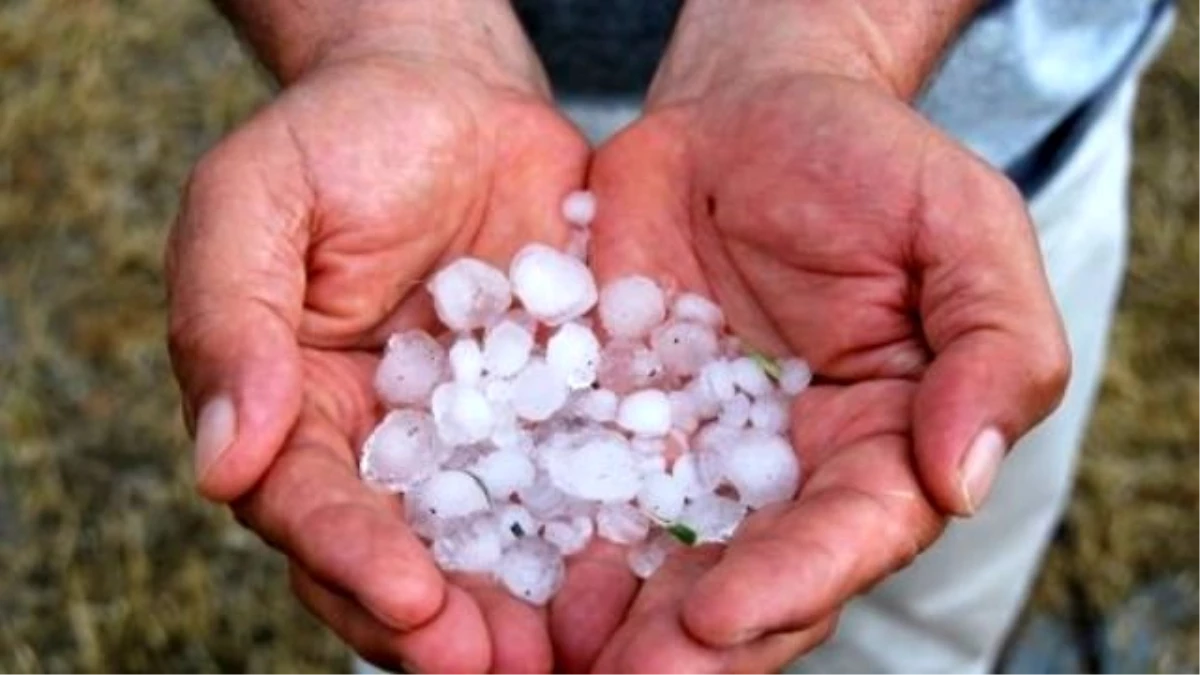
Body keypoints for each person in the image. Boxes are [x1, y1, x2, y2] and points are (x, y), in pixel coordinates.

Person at [165, 1, 1174, 672]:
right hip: (425, 190)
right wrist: (379, 32)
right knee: (419, 612)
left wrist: (829, 36)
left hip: (914, 198)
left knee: (915, 614)